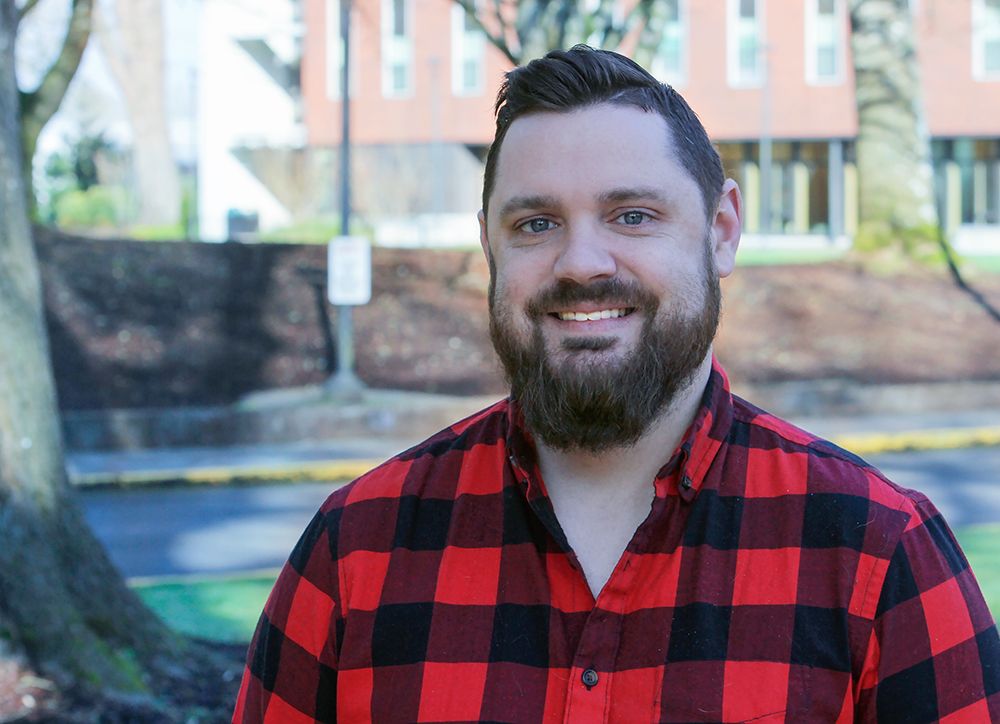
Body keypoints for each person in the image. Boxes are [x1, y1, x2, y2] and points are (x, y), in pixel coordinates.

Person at [233, 46, 999, 722]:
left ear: (722, 230)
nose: (580, 263)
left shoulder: (879, 554)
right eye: (536, 224)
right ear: (490, 246)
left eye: (632, 215)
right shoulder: (354, 552)